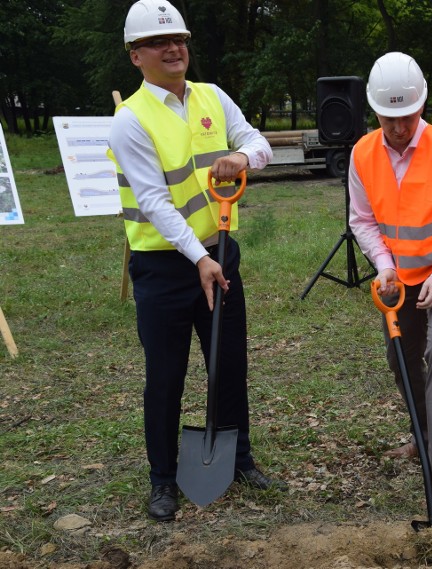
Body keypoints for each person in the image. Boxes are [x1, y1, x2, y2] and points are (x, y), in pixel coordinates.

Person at [107, 0, 284, 522]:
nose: (173, 48)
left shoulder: (211, 96)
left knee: (229, 363)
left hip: (220, 252)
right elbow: (156, 202)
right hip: (163, 268)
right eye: (160, 43)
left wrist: (243, 157)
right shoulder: (130, 120)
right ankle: (163, 479)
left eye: (180, 39)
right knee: (165, 377)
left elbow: (257, 140)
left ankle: (240, 459)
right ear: (136, 56)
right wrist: (196, 258)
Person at [348, 52, 432, 503]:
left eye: (406, 117)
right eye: (389, 118)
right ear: (375, 111)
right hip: (399, 276)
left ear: (421, 106)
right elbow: (362, 220)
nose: (398, 128)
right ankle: (423, 437)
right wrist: (385, 266)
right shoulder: (362, 153)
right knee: (401, 359)